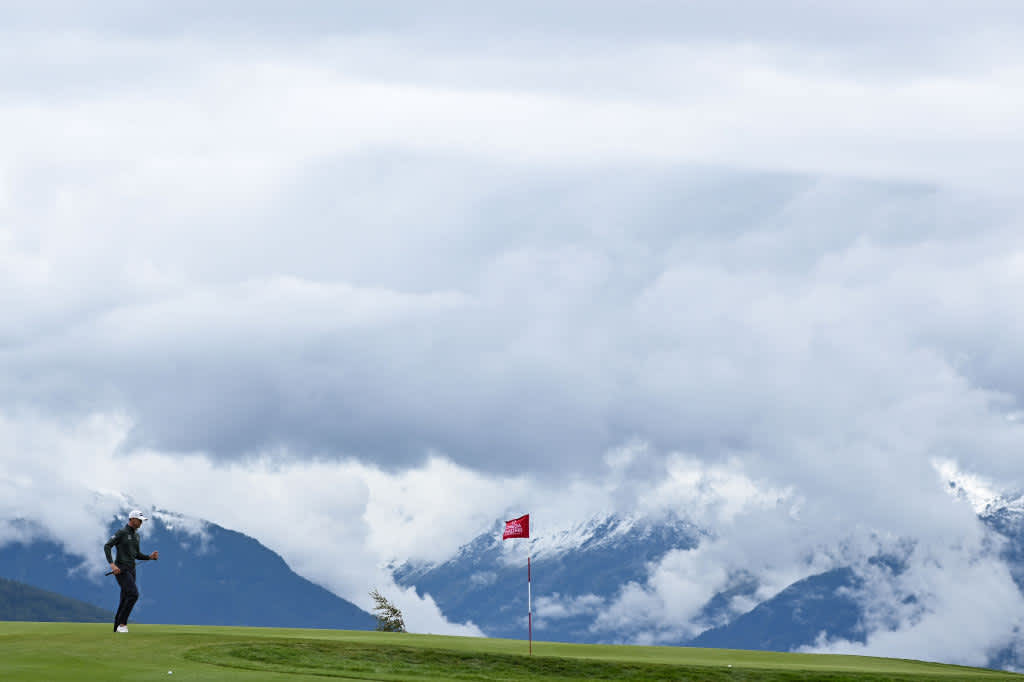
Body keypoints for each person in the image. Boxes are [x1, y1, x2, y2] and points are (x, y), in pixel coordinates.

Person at [103, 509, 158, 633]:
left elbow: (137, 554)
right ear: (132, 519)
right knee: (133, 594)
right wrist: (112, 565)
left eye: (142, 521)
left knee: (125, 598)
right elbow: (107, 546)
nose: (141, 523)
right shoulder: (122, 532)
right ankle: (122, 624)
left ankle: (116, 629)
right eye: (139, 520)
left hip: (132, 570)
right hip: (121, 569)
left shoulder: (136, 535)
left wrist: (150, 557)